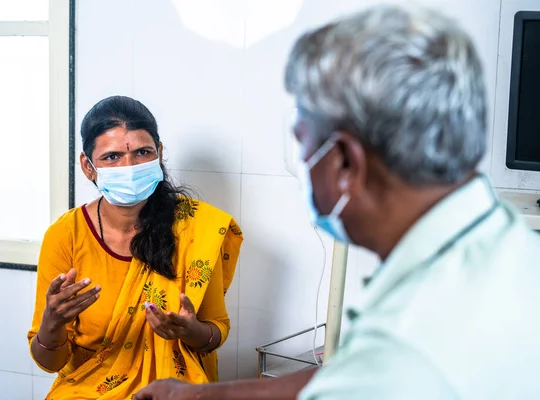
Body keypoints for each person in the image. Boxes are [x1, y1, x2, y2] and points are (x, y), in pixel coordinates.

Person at [134, 4, 540, 400]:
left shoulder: (411, 348)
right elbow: (355, 375)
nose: (303, 164)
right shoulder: (494, 238)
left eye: (303, 143)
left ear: (345, 161)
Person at [27, 96, 243, 399]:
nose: (128, 166)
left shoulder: (195, 228)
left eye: (143, 152)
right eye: (112, 157)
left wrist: (189, 331)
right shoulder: (66, 236)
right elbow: (49, 362)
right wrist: (52, 322)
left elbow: (216, 329)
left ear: (160, 153)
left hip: (176, 392)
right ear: (87, 167)